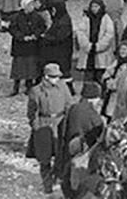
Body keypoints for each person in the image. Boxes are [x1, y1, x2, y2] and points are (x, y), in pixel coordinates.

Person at [28, 62, 74, 194]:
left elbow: (69, 103)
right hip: (44, 123)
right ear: (46, 76)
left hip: (60, 123)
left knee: (61, 155)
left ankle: (57, 180)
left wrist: (68, 121)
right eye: (53, 76)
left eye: (57, 76)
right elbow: (32, 112)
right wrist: (36, 126)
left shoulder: (63, 86)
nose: (56, 79)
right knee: (45, 158)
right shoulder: (37, 91)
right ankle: (47, 185)